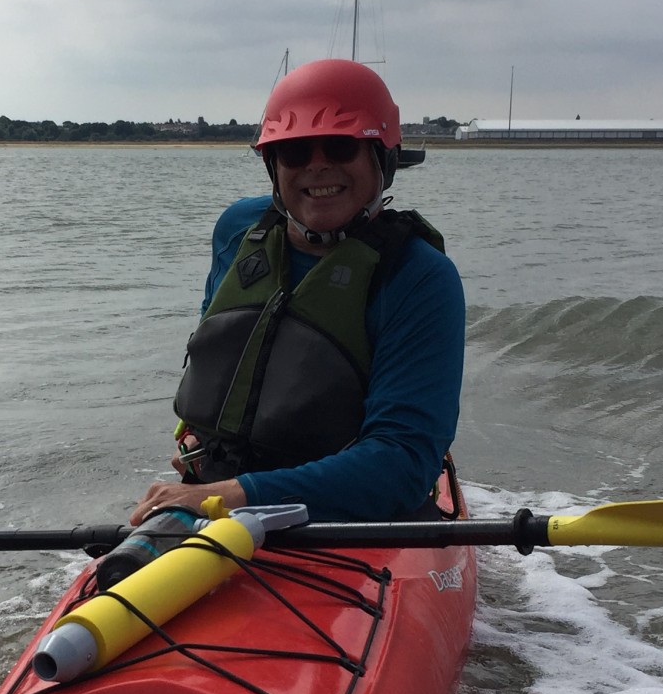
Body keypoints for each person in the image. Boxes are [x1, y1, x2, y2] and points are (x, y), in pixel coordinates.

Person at [131, 59, 465, 525]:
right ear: (273, 164)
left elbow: (402, 464)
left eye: (341, 147)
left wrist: (235, 495)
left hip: (350, 517)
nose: (317, 166)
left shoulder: (420, 275)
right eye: (295, 151)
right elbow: (219, 351)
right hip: (216, 495)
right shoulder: (237, 230)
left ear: (383, 159)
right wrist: (195, 442)